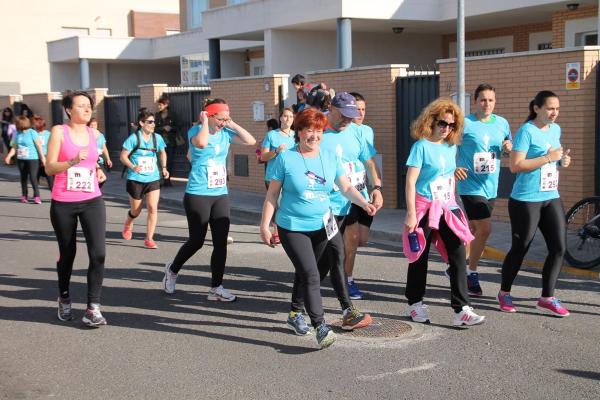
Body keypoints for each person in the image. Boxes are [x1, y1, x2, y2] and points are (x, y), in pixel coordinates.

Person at [260, 108, 377, 348]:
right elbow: (272, 195)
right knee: (312, 274)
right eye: (309, 130)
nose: (314, 136)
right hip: (293, 226)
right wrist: (265, 224)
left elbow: (345, 187)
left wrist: (364, 202)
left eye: (319, 131)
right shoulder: (286, 158)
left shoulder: (329, 156)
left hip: (324, 224)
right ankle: (321, 326)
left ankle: (295, 314)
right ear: (299, 131)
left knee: (311, 270)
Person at [162, 98, 255, 301]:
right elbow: (202, 143)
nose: (223, 122)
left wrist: (231, 123)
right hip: (198, 193)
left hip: (219, 193)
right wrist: (204, 122)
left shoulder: (226, 133)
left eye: (226, 118)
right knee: (196, 241)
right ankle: (172, 269)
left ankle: (216, 288)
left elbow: (250, 141)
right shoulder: (195, 132)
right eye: (220, 118)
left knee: (220, 242)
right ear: (210, 115)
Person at [403, 98, 485, 327]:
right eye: (442, 123)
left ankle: (462, 309)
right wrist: (411, 213)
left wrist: (455, 173)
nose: (446, 129)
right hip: (424, 207)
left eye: (451, 125)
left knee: (458, 251)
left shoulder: (450, 147)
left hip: (446, 206)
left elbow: (445, 173)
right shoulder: (420, 146)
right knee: (419, 256)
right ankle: (415, 303)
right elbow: (411, 182)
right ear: (431, 121)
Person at [498, 90, 571, 317]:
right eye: (550, 108)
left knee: (559, 248)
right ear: (537, 108)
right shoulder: (526, 131)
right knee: (521, 247)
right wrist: (549, 158)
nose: (554, 113)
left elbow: (554, 158)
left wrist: (562, 160)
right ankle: (504, 292)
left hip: (550, 195)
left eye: (557, 109)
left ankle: (547, 297)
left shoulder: (555, 129)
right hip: (526, 200)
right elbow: (516, 165)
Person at [44, 91, 108, 327]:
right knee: (68, 252)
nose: (87, 108)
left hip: (92, 199)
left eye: (89, 105)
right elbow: (50, 168)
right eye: (81, 105)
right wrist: (71, 162)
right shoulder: (59, 132)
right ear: (69, 110)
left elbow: (92, 160)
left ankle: (93, 308)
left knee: (98, 253)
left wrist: (97, 169)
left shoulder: (95, 134)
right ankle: (64, 295)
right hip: (64, 201)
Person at [454, 84, 512, 296]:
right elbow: (448, 145)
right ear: (475, 102)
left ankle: (456, 266)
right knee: (485, 229)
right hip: (469, 184)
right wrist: (454, 167)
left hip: (490, 185)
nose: (487, 104)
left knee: (471, 232)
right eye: (483, 100)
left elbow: (508, 148)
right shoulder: (465, 124)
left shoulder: (502, 123)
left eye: (491, 100)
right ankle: (471, 273)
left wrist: (508, 149)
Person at [343, 92, 379, 299]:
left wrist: (376, 188)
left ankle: (340, 264)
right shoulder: (340, 132)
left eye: (364, 109)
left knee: (361, 240)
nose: (361, 113)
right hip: (346, 194)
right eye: (357, 109)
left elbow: (370, 162)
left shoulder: (367, 131)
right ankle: (348, 279)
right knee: (353, 238)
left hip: (363, 192)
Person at [120, 108, 169, 249]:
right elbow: (123, 156)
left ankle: (149, 238)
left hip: (153, 178)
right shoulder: (133, 138)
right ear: (141, 123)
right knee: (136, 210)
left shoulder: (157, 138)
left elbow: (162, 153)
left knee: (153, 208)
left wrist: (164, 168)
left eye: (155, 122)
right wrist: (132, 166)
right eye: (150, 122)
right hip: (136, 178)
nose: (154, 124)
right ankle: (129, 223)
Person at [260, 108, 295, 243]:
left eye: (291, 116)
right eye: (285, 116)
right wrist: (276, 151)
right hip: (273, 176)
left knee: (287, 204)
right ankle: (276, 231)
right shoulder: (271, 135)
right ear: (280, 118)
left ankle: (286, 230)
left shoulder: (296, 135)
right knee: (275, 204)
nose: (288, 119)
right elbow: (263, 156)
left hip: (290, 176)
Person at [4, 116, 45, 203]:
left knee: (33, 178)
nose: (16, 125)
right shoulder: (17, 134)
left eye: (17, 123)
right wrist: (9, 156)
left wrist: (42, 158)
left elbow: (38, 146)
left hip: (32, 159)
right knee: (23, 178)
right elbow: (15, 147)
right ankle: (24, 196)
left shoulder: (32, 132)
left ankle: (37, 196)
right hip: (21, 159)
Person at [154, 95, 178, 186]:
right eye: (158, 105)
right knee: (159, 161)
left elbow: (178, 127)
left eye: (160, 105)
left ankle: (167, 180)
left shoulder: (173, 115)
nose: (158, 107)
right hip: (159, 143)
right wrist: (163, 128)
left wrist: (171, 128)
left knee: (170, 162)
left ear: (166, 105)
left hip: (170, 142)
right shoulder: (157, 115)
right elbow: (154, 128)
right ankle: (159, 180)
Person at [33, 115, 54, 190]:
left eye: (35, 124)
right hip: (38, 158)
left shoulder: (47, 134)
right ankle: (36, 194)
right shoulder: (34, 134)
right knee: (37, 176)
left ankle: (52, 194)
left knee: (49, 177)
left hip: (44, 158)